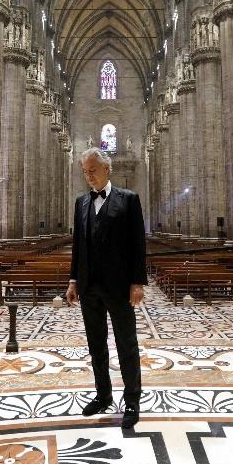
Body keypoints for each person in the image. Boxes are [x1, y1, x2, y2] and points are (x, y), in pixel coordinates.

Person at [66, 147, 148, 429]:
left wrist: (137, 282)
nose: (89, 176)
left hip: (119, 286)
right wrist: (73, 280)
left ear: (106, 169)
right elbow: (78, 246)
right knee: (96, 345)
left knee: (127, 345)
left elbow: (138, 245)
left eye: (93, 170)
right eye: (85, 172)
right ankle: (103, 395)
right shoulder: (81, 203)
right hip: (89, 288)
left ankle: (133, 401)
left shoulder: (129, 200)